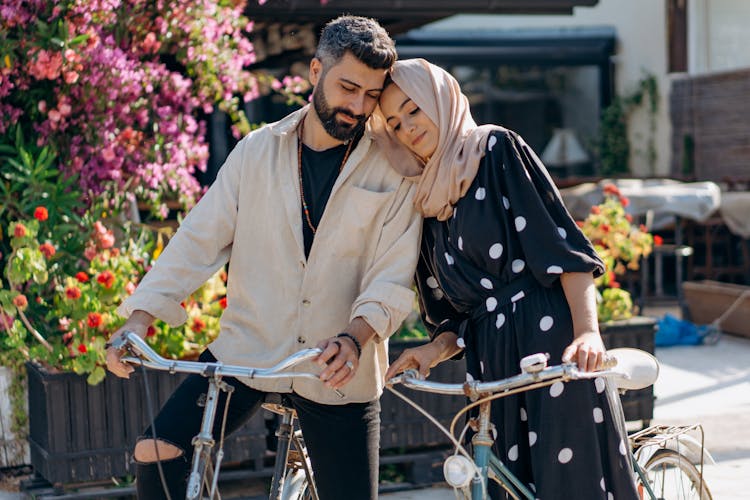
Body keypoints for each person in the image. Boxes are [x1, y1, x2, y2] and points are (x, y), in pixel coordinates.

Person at [105, 17, 421, 500]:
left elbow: (392, 277)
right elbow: (197, 239)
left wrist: (356, 338)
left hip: (337, 365)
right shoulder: (256, 151)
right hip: (248, 353)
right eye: (348, 87)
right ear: (316, 72)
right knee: (157, 448)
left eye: (371, 95)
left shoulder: (393, 167)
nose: (358, 106)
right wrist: (139, 319)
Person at [381, 59, 639, 499]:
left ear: (440, 101)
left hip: (552, 347)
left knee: (569, 487)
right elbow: (455, 321)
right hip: (491, 369)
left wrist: (588, 333)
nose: (407, 127)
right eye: (394, 122)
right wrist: (428, 351)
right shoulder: (424, 199)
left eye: (414, 109)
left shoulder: (495, 149)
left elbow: (563, 250)